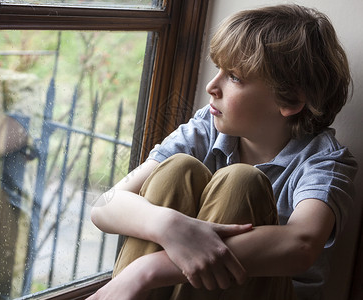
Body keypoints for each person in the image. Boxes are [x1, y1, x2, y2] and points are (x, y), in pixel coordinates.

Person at [87, 4, 358, 300]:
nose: (211, 86)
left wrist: (148, 269)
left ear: (290, 99)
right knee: (179, 169)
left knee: (241, 182)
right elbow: (104, 207)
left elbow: (302, 245)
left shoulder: (324, 161)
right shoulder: (207, 126)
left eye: (235, 77)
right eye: (218, 69)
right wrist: (169, 225)